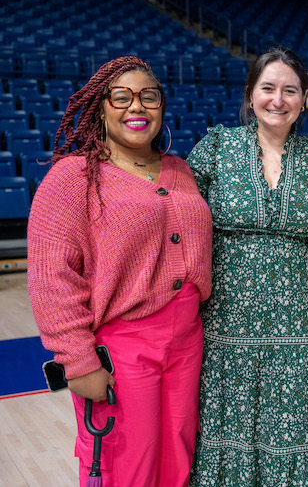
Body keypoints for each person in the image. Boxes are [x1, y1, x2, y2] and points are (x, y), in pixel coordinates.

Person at [27, 56, 213, 487]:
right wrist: (77, 361)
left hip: (187, 341)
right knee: (125, 462)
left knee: (178, 456)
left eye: (149, 96)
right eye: (122, 97)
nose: (137, 107)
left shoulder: (181, 170)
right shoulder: (73, 177)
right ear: (101, 108)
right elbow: (51, 277)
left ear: (162, 107)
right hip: (123, 346)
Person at [188, 47, 308, 486]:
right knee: (226, 433)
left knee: (294, 432)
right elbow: (173, 217)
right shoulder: (217, 147)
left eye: (289, 90)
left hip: (299, 331)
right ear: (250, 95)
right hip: (226, 329)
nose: (278, 99)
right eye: (268, 88)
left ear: (304, 98)